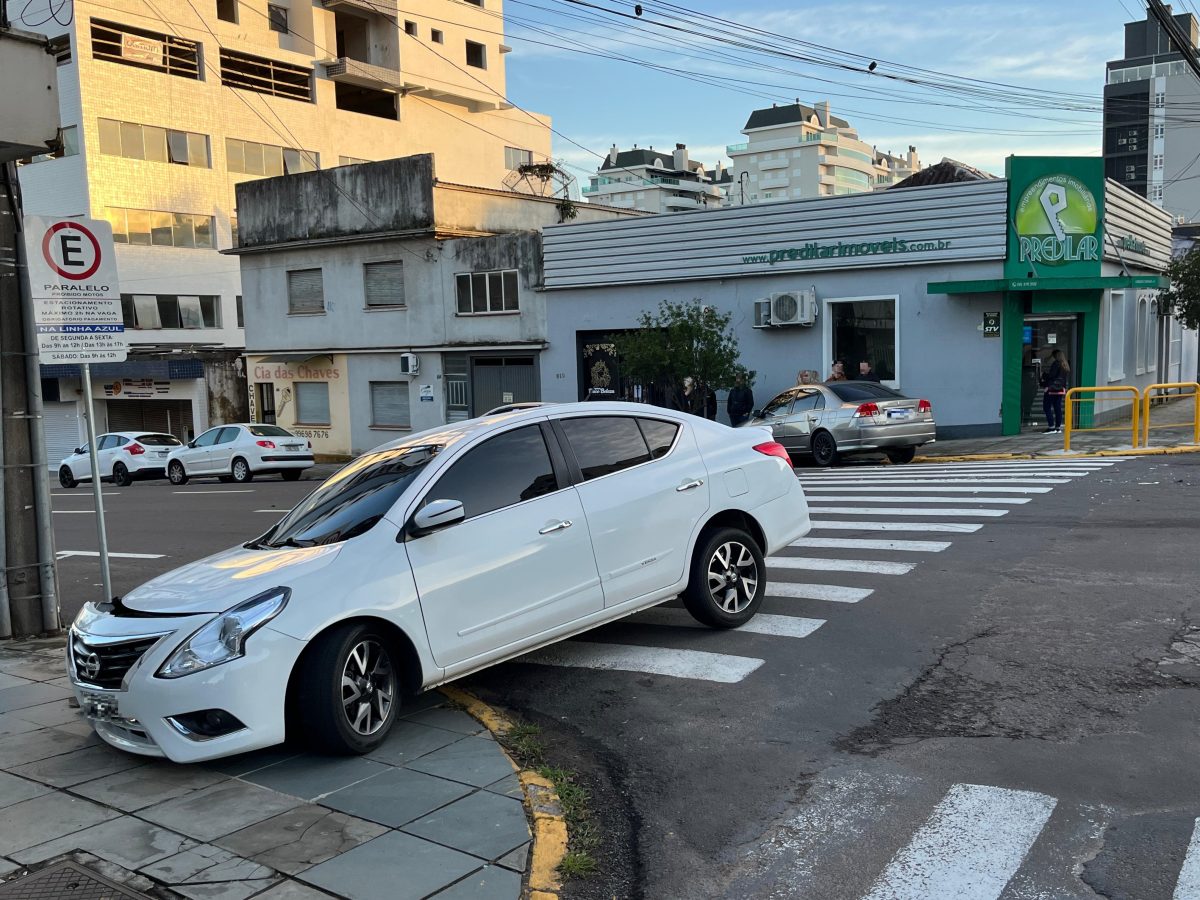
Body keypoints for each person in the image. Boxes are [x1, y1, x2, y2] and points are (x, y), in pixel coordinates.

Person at [1040, 348, 1070, 434]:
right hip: (1060, 390)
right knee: (1057, 408)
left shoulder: (1056, 364)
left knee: (1047, 407)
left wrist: (1044, 375)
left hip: (1051, 389)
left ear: (1055, 356)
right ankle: (1058, 427)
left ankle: (1051, 427)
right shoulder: (1065, 364)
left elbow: (1051, 376)